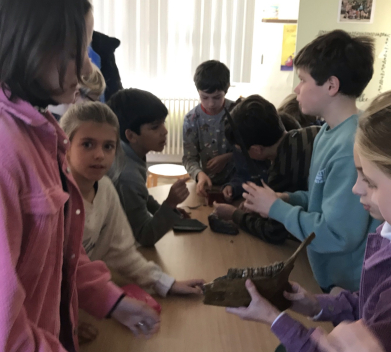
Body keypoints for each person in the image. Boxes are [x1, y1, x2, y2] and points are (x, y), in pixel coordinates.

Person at [0, 1, 160, 350]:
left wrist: (112, 301)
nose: (88, 67)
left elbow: (60, 250)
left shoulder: (38, 133)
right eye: (80, 50)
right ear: (35, 48)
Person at [225, 91, 391, 352]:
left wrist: (273, 318)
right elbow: (369, 301)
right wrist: (313, 304)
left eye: (369, 181)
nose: (356, 188)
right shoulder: (386, 233)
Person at [240, 30, 380, 292]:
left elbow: (338, 235)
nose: (296, 89)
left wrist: (276, 210)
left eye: (302, 80)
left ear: (331, 86)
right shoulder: (327, 132)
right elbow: (322, 199)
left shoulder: (352, 145)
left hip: (348, 286)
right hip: (328, 274)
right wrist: (287, 199)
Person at [60, 101, 204, 295]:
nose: (99, 155)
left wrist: (166, 283)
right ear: (65, 147)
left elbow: (122, 252)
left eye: (108, 146)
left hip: (85, 296)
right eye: (87, 144)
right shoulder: (56, 199)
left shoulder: (105, 189)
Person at [216, 95, 320, 244]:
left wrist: (234, 214)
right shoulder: (311, 133)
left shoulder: (283, 168)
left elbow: (273, 232)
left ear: (257, 150)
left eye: (241, 150)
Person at [108, 88, 190, 246]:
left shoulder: (127, 153)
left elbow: (142, 196)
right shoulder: (127, 175)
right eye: (155, 127)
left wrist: (164, 210)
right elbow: (145, 236)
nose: (165, 131)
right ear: (131, 135)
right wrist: (170, 204)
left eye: (163, 124)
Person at [182, 60, 235, 197]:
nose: (211, 104)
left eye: (217, 97)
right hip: (206, 185)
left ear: (227, 88)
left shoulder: (238, 113)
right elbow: (189, 158)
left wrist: (227, 157)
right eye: (204, 97)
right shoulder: (191, 119)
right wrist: (199, 175)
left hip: (237, 183)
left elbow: (252, 150)